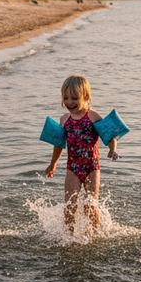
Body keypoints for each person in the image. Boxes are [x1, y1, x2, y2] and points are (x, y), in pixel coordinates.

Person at [44, 75, 120, 233]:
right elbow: (58, 145)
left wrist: (113, 150)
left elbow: (110, 136)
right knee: (69, 206)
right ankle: (69, 236)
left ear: (85, 97)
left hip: (92, 167)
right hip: (72, 168)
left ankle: (94, 235)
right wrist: (53, 164)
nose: (69, 102)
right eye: (66, 98)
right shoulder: (64, 120)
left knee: (90, 205)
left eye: (74, 98)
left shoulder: (92, 116)